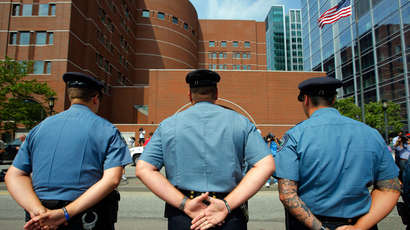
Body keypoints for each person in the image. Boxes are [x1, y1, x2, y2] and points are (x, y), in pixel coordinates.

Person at [135, 69, 275, 230]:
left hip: (185, 216)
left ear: (189, 95)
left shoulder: (168, 125)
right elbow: (266, 165)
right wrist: (226, 205)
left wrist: (185, 204)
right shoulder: (241, 122)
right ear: (216, 94)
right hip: (228, 215)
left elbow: (143, 169)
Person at [5, 72, 132, 230]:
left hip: (40, 220)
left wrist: (38, 211)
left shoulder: (39, 128)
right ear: (95, 98)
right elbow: (112, 179)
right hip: (87, 219)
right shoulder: (108, 130)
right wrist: (64, 213)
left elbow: (14, 174)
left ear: (71, 97)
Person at [273, 76, 400, 230]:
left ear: (306, 100)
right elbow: (390, 188)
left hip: (311, 224)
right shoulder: (371, 134)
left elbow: (287, 194)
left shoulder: (295, 136)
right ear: (333, 100)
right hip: (362, 223)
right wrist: (359, 227)